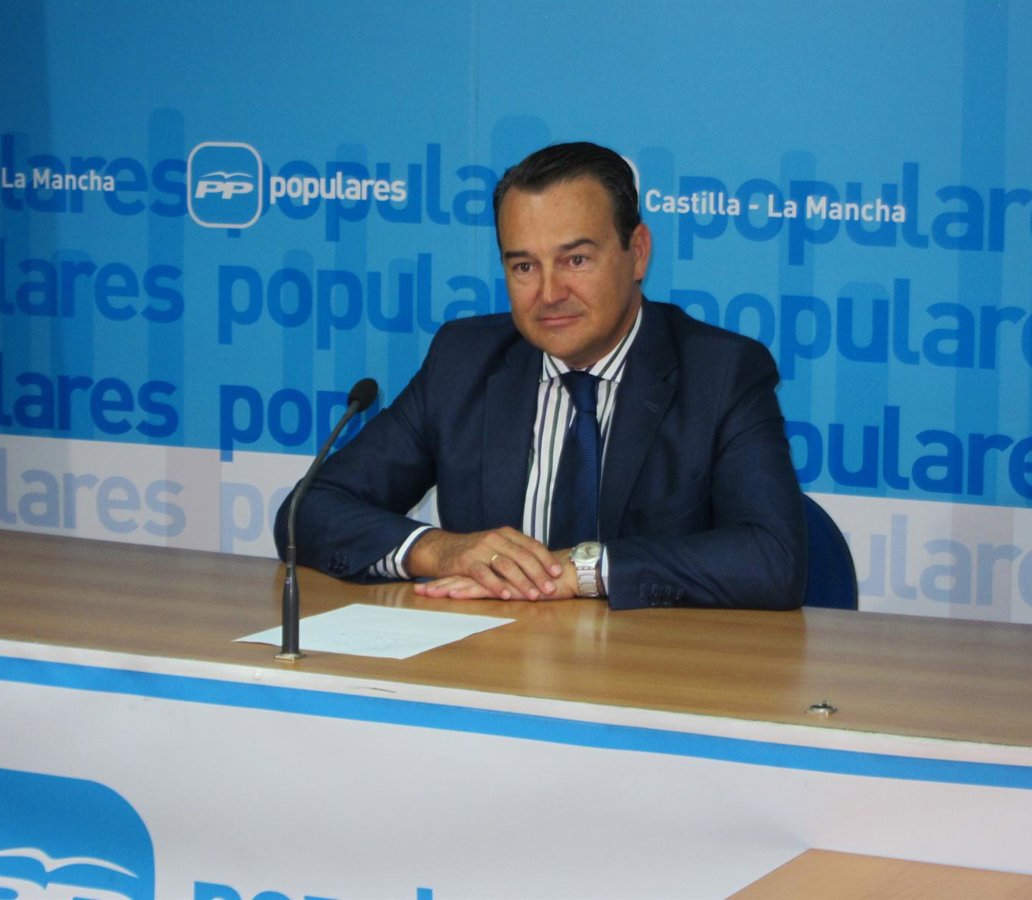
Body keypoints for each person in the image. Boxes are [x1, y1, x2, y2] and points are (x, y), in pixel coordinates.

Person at [274, 141, 807, 610]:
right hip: (492, 663)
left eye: (576, 260)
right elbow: (306, 512)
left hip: (650, 670)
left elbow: (773, 558)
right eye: (524, 267)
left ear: (638, 253)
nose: (549, 294)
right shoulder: (464, 362)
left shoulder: (721, 373)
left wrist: (582, 571)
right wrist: (442, 550)